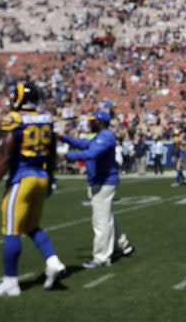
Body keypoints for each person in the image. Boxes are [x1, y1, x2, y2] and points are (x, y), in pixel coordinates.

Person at [0, 82, 66, 296]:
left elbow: (5, 156)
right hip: (41, 178)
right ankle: (53, 261)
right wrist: (51, 177)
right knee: (32, 226)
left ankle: (10, 283)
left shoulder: (15, 119)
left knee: (11, 230)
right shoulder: (46, 119)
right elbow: (52, 151)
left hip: (23, 179)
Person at [61, 111, 134, 268]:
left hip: (104, 182)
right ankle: (123, 245)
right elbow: (83, 145)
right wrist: (62, 137)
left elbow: (91, 153)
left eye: (92, 121)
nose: (90, 123)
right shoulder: (102, 136)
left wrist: (66, 156)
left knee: (101, 221)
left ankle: (101, 257)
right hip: (103, 181)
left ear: (100, 122)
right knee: (108, 217)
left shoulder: (106, 136)